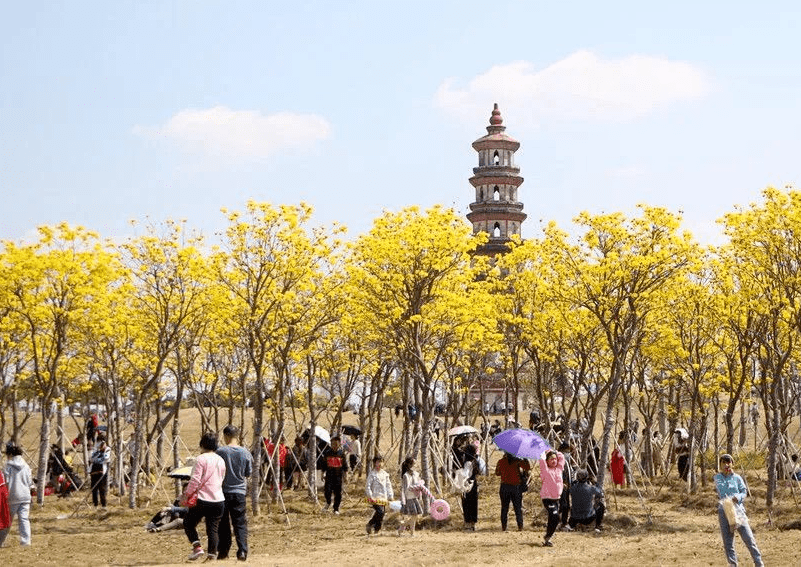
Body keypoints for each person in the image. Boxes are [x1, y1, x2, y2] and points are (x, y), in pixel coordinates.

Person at [713, 454, 764, 567]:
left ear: (732, 463)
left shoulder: (737, 478)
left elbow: (744, 491)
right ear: (720, 465)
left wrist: (738, 497)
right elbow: (721, 489)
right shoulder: (717, 477)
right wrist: (727, 474)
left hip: (738, 510)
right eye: (724, 462)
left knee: (749, 538)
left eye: (728, 462)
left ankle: (759, 563)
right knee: (728, 542)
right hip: (724, 511)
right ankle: (732, 564)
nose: (726, 464)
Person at [182, 432, 226, 561]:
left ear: (202, 444)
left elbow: (195, 480)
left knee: (188, 523)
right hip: (218, 498)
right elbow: (222, 478)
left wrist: (187, 494)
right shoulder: (221, 460)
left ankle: (197, 547)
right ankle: (212, 555)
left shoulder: (200, 459)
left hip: (202, 498)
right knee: (212, 528)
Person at [216, 424, 253, 561]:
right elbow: (248, 473)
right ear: (237, 436)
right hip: (239, 492)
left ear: (225, 436)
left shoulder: (220, 452)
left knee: (223, 522)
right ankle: (242, 550)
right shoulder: (245, 452)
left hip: (223, 492)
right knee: (240, 522)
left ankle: (223, 551)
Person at [0, 442, 33, 547]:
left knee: (7, 520)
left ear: (10, 454)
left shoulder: (7, 466)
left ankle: (0, 540)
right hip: (25, 495)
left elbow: (6, 481)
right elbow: (29, 481)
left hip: (12, 496)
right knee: (24, 519)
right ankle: (26, 541)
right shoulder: (26, 465)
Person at [495, 451, 530, 532]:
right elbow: (527, 468)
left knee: (504, 508)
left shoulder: (501, 461)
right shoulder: (518, 461)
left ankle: (504, 527)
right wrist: (525, 458)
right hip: (516, 487)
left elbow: (497, 473)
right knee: (518, 508)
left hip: (504, 487)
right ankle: (520, 526)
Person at [539, 449, 565, 547]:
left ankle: (548, 537)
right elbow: (542, 461)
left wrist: (553, 451)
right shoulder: (545, 470)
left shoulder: (559, 469)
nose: (554, 461)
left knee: (554, 519)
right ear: (547, 461)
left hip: (556, 498)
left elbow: (561, 457)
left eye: (555, 459)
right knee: (555, 516)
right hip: (547, 498)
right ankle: (548, 536)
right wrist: (545, 454)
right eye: (551, 459)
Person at [365, 455, 393, 536]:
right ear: (374, 463)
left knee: (382, 513)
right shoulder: (372, 474)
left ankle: (376, 529)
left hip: (383, 497)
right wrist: (370, 495)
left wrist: (390, 495)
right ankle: (371, 524)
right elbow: (368, 486)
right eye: (378, 462)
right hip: (375, 496)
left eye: (381, 462)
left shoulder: (385, 474)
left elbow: (388, 485)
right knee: (380, 512)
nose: (380, 464)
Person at [322, 435, 348, 514]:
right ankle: (328, 502)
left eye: (336, 444)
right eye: (333, 444)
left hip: (338, 476)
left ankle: (336, 508)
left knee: (338, 493)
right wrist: (322, 474)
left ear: (339, 444)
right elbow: (324, 465)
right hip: (329, 476)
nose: (334, 446)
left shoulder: (342, 454)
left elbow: (345, 467)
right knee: (327, 491)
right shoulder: (327, 453)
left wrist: (345, 476)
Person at [398, 456, 423, 536]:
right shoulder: (405, 476)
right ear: (409, 465)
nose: (416, 466)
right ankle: (412, 532)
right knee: (414, 515)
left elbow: (419, 483)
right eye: (414, 464)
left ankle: (403, 526)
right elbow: (406, 488)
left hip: (415, 496)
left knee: (415, 515)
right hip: (409, 497)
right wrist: (415, 487)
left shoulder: (416, 474)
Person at [460, 443, 480, 531]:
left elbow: (465, 474)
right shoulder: (476, 460)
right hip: (474, 483)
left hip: (467, 484)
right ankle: (473, 523)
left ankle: (468, 524)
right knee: (474, 503)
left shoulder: (468, 463)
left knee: (467, 503)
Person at [89, 434, 111, 510]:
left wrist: (99, 456)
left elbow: (106, 458)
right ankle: (95, 505)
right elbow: (91, 459)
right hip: (94, 472)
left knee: (102, 489)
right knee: (94, 490)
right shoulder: (95, 449)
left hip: (102, 472)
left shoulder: (107, 449)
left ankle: (103, 505)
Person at [558, 441, 574, 531]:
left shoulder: (566, 461)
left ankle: (563, 522)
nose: (568, 454)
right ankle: (562, 522)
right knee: (563, 505)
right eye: (566, 452)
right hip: (562, 486)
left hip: (567, 486)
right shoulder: (559, 461)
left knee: (566, 505)